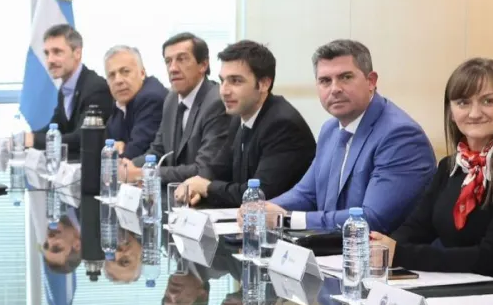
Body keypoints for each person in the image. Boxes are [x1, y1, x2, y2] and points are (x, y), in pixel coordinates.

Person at [370, 58, 493, 284]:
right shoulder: (450, 167)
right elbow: (416, 227)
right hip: (462, 288)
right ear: (451, 112)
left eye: (488, 101)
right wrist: (384, 247)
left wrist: (401, 254)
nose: (475, 113)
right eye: (463, 103)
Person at [264, 40, 435, 232]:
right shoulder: (330, 130)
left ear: (371, 81)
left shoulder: (400, 136)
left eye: (345, 77)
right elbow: (306, 194)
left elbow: (371, 219)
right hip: (331, 245)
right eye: (325, 81)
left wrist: (286, 220)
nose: (335, 89)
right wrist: (261, 210)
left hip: (378, 249)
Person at [177, 40, 316, 207]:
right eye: (222, 81)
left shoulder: (282, 125)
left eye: (236, 81)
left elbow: (259, 195)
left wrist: (206, 187)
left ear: (264, 84)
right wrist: (194, 184)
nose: (224, 91)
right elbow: (218, 168)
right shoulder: (240, 116)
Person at [121, 33, 231, 185]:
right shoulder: (171, 98)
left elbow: (204, 170)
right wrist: (128, 166)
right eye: (168, 61)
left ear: (203, 65)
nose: (172, 68)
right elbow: (158, 150)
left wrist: (144, 173)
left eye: (181, 59)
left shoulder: (217, 103)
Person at [27, 24, 113, 153]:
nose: (50, 60)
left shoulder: (96, 88)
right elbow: (55, 128)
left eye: (57, 52)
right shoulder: (65, 87)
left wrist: (35, 140)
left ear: (77, 53)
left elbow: (82, 138)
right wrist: (27, 137)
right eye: (47, 53)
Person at [102, 46, 167, 160]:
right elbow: (106, 144)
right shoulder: (121, 102)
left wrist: (116, 152)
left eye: (125, 72)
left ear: (142, 73)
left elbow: (135, 153)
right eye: (112, 75)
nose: (118, 80)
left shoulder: (151, 98)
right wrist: (116, 146)